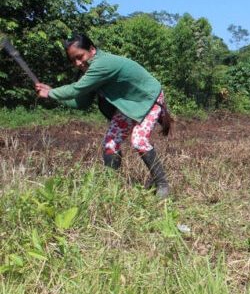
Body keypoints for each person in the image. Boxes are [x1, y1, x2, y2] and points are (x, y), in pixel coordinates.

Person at [35, 33, 171, 198]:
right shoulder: (87, 72)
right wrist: (54, 95)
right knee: (110, 144)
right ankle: (111, 187)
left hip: (148, 98)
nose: (78, 63)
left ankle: (162, 185)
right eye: (73, 60)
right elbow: (80, 102)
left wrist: (51, 93)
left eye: (80, 57)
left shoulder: (103, 64)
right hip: (128, 104)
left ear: (92, 50)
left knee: (138, 141)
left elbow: (76, 89)